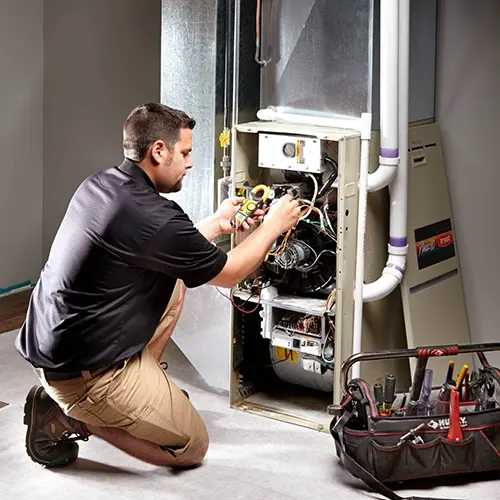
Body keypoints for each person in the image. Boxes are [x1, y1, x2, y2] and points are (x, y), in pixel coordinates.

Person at [16, 102, 301, 469]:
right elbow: (230, 273)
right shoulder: (156, 216)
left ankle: (132, 397)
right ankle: (75, 415)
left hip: (56, 347)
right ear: (158, 151)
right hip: (83, 376)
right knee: (191, 448)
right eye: (185, 152)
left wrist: (217, 222)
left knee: (176, 283)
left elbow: (162, 247)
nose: (191, 162)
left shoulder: (101, 185)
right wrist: (273, 226)